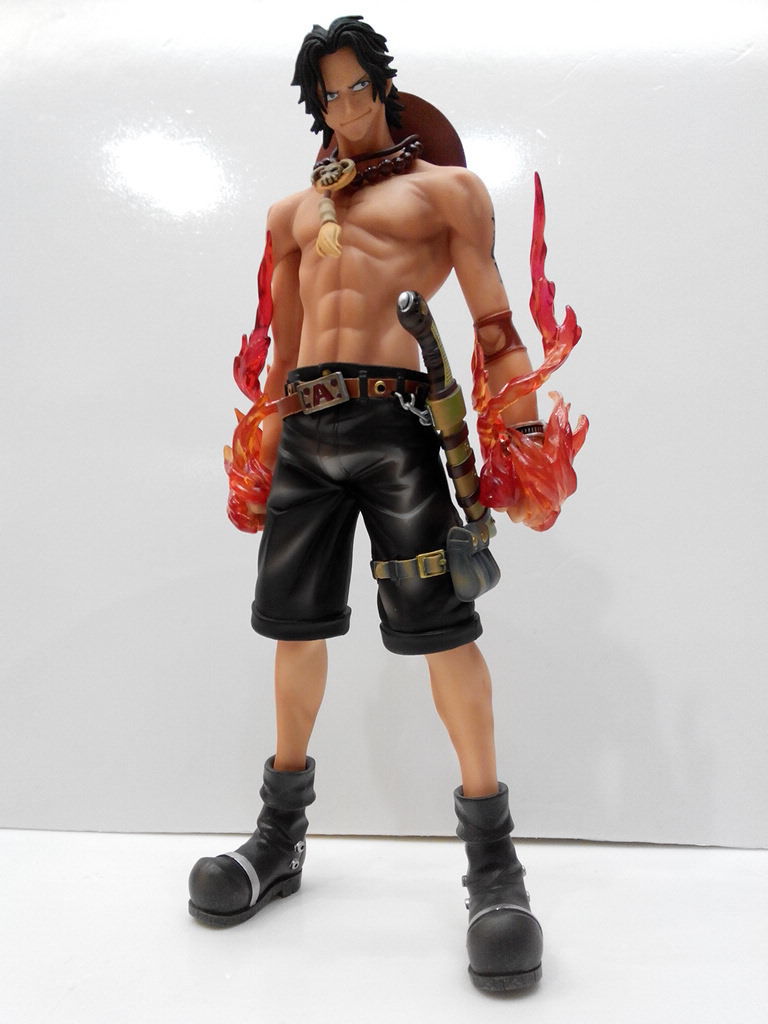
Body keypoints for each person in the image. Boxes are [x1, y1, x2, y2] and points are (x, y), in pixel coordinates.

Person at [189, 15, 549, 993]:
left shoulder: (445, 192)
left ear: (383, 85)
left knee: (444, 629)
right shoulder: (292, 214)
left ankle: (494, 862)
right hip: (308, 434)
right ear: (315, 105)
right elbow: (283, 346)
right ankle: (279, 838)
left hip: (398, 430)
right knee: (293, 628)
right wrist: (263, 437)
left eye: (358, 86)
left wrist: (520, 432)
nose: (346, 105)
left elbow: (494, 323)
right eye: (330, 93)